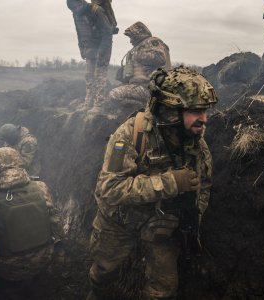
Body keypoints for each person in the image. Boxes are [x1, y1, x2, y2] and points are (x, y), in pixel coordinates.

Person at [87, 66, 218, 300]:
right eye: (196, 111)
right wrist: (170, 182)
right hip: (118, 221)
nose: (204, 119)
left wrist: (182, 220)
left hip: (161, 224)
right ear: (171, 111)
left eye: (205, 111)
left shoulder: (196, 144)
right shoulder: (130, 135)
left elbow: (203, 187)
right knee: (104, 273)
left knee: (164, 289)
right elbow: (109, 188)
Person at [0, 147, 64, 282]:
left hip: (10, 271)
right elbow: (55, 221)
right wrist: (60, 253)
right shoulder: (41, 187)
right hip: (44, 260)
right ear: (20, 162)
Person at [67, 0, 115, 112]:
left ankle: (98, 104)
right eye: (73, 8)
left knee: (100, 75)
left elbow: (107, 33)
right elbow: (79, 32)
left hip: (103, 45)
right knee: (89, 75)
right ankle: (88, 103)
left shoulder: (96, 10)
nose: (76, 9)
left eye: (77, 6)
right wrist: (81, 49)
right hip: (90, 47)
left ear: (81, 3)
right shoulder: (75, 14)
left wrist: (102, 52)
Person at [109, 21, 171, 105]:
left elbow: (160, 58)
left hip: (148, 87)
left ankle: (145, 106)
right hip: (137, 86)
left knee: (115, 94)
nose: (130, 41)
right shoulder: (136, 48)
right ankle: (144, 107)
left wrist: (138, 55)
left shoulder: (152, 41)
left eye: (132, 37)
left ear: (139, 33)